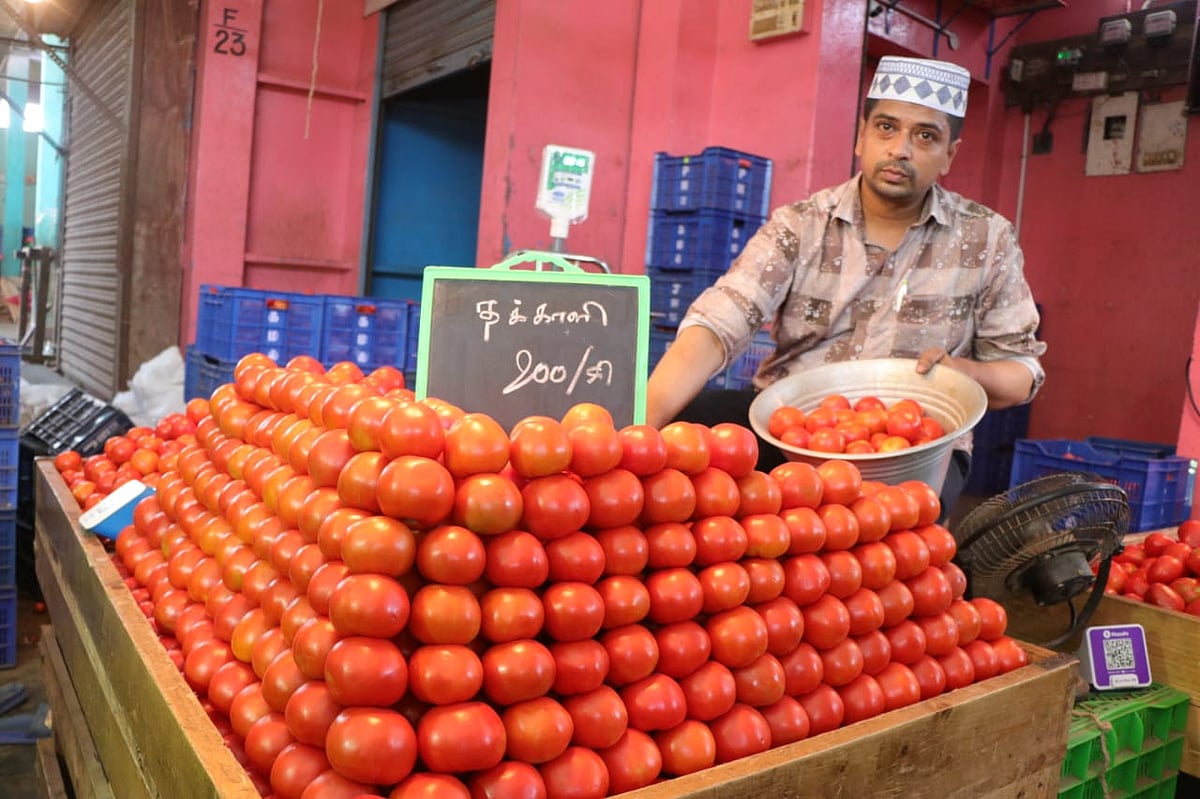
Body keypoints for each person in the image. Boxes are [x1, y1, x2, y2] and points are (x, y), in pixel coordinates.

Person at [645, 56, 1046, 518]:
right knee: (695, 424)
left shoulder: (986, 238)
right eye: (886, 128)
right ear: (861, 136)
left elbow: (1020, 372)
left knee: (895, 540)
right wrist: (642, 426)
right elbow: (722, 319)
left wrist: (962, 372)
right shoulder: (800, 224)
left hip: (915, 445)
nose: (900, 149)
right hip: (794, 431)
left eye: (925, 136)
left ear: (950, 154)